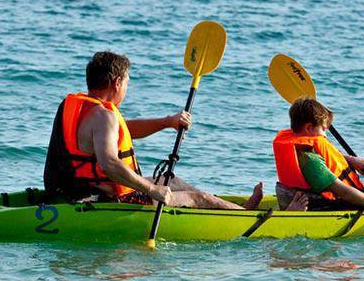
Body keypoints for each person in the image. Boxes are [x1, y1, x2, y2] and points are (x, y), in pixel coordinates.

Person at [44, 51, 262, 209]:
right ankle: (244, 216)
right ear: (117, 83)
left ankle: (235, 207)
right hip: (105, 198)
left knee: (172, 180)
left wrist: (168, 121)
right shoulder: (104, 115)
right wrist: (152, 191)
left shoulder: (83, 109)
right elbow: (109, 164)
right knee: (200, 198)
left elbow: (123, 131)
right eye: (128, 82)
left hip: (74, 189)